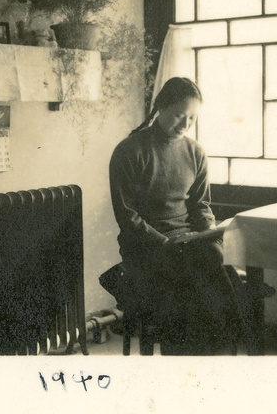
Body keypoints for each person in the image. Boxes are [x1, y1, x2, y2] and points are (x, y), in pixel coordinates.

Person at [109, 77, 239, 355]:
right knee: (195, 282)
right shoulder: (129, 151)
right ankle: (183, 360)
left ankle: (211, 357)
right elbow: (127, 217)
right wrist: (165, 244)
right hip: (146, 246)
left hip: (188, 242)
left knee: (215, 264)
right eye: (180, 115)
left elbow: (201, 205)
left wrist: (208, 231)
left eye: (192, 118)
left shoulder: (195, 153)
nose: (185, 124)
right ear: (160, 107)